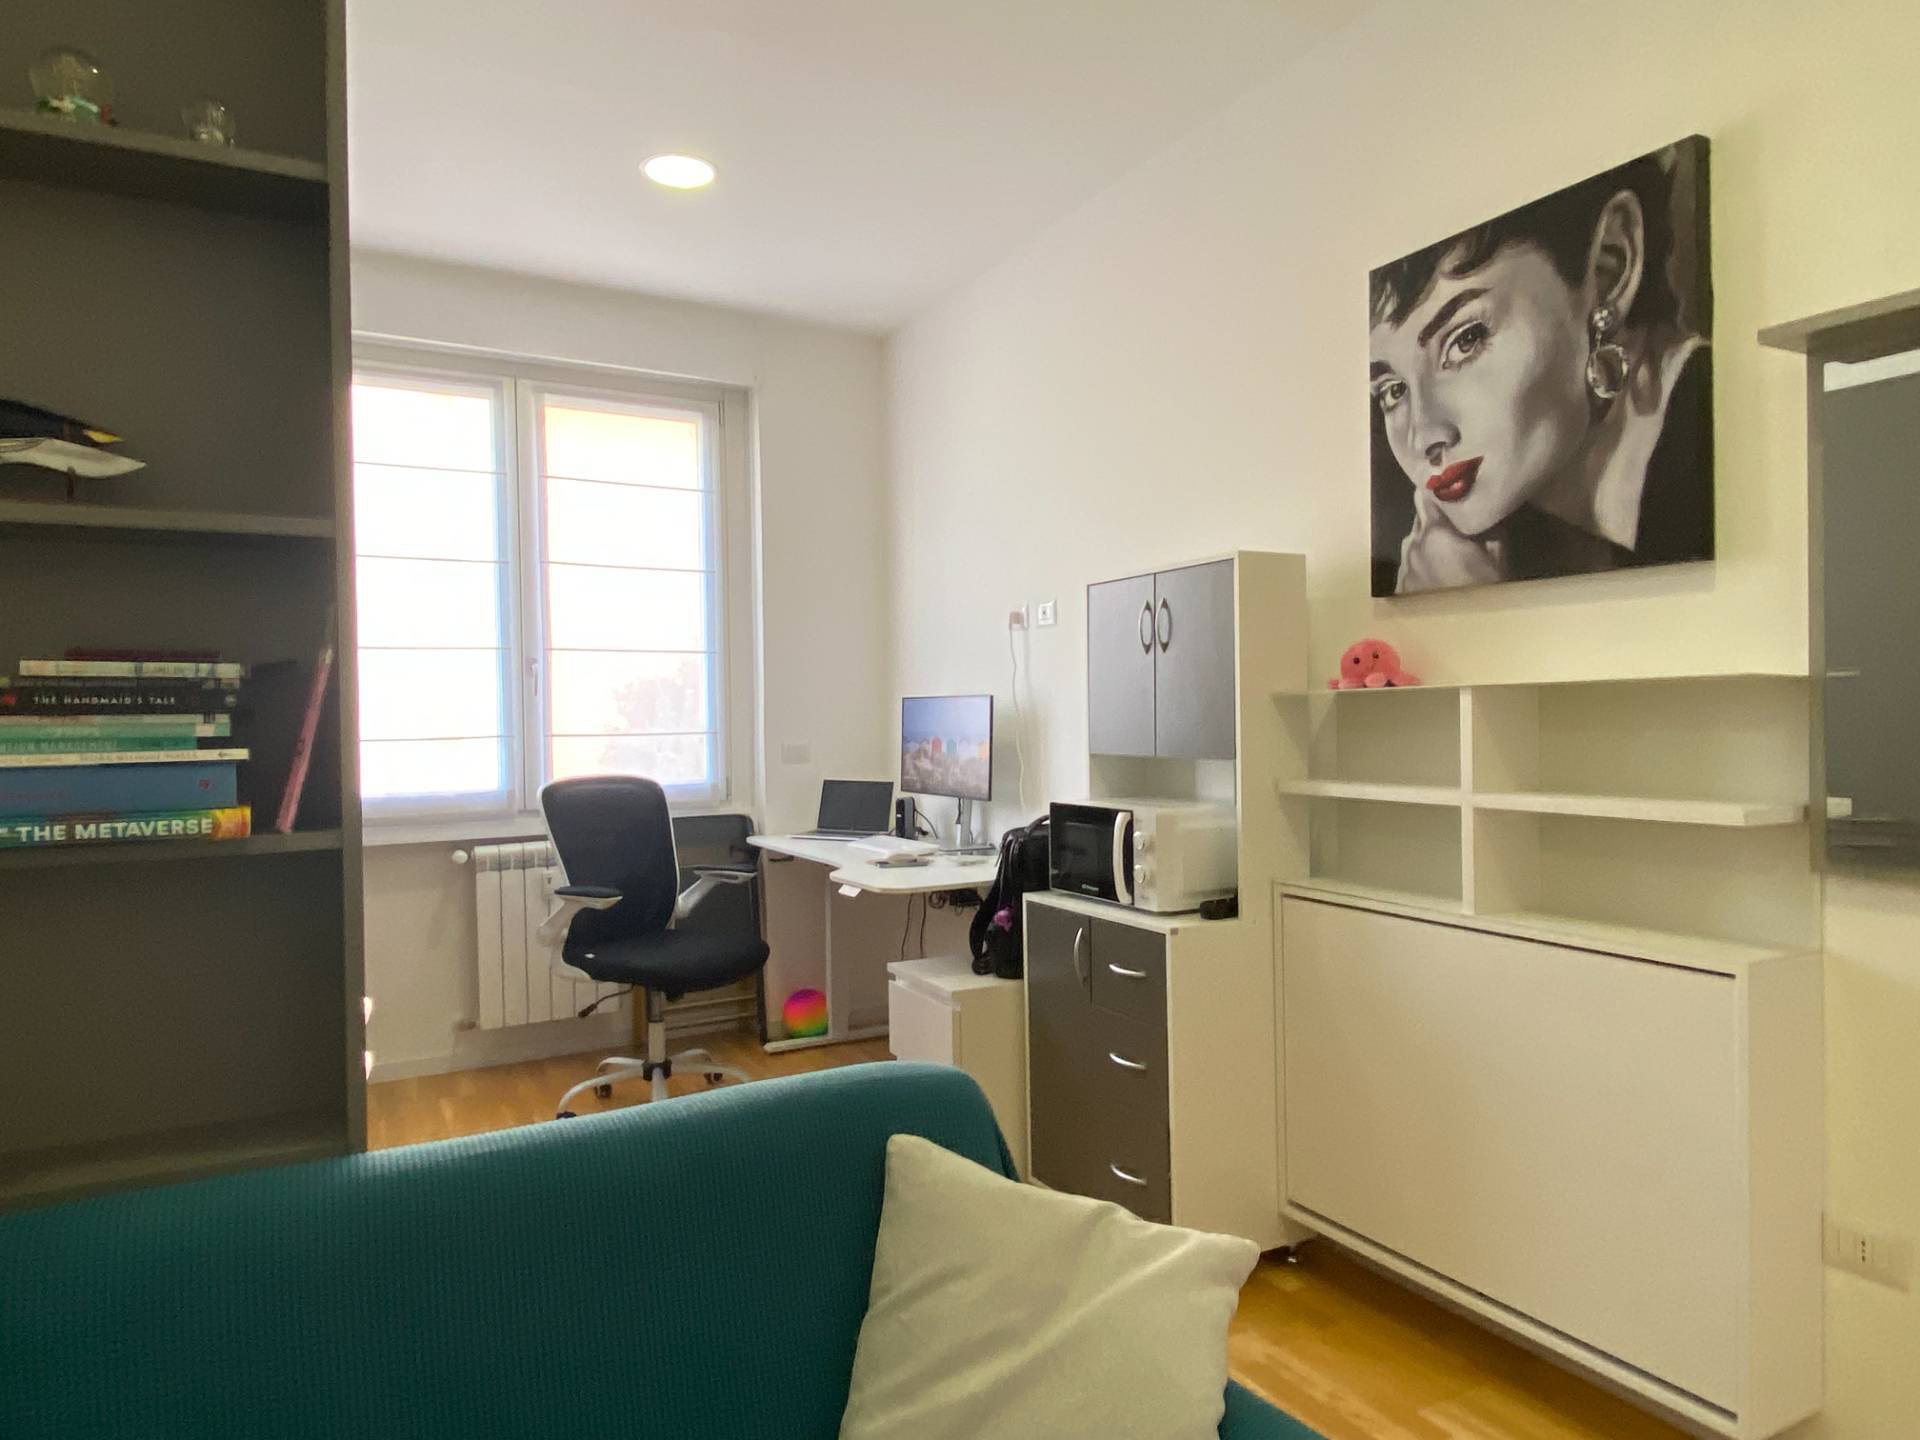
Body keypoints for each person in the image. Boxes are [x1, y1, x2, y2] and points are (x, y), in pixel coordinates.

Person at [1368, 142, 1711, 594]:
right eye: (1392, 389)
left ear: (1609, 268)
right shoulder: (1514, 521)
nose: (1424, 436)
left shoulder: (1717, 435)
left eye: (1466, 339)